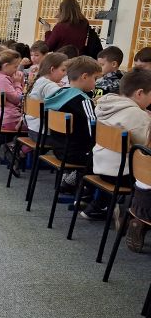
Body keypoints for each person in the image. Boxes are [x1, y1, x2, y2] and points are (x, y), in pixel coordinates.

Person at [83, 69, 151, 221]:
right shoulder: (136, 114)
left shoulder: (106, 104)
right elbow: (146, 147)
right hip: (121, 175)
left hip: (99, 166)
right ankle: (139, 217)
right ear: (140, 93)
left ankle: (99, 205)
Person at [43, 55, 101, 193]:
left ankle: (71, 178)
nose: (96, 83)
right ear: (85, 76)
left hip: (58, 149)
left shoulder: (59, 93)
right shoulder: (83, 100)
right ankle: (82, 188)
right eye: (95, 78)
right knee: (104, 156)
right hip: (76, 154)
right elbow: (93, 132)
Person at [24, 52, 67, 141]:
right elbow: (64, 103)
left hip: (33, 130)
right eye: (63, 70)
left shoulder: (40, 80)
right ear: (52, 69)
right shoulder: (50, 86)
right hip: (43, 134)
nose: (65, 74)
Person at [0, 49, 25, 131]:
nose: (17, 70)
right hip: (10, 120)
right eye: (15, 67)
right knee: (36, 128)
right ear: (5, 66)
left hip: (3, 118)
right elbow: (17, 99)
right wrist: (17, 83)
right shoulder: (3, 80)